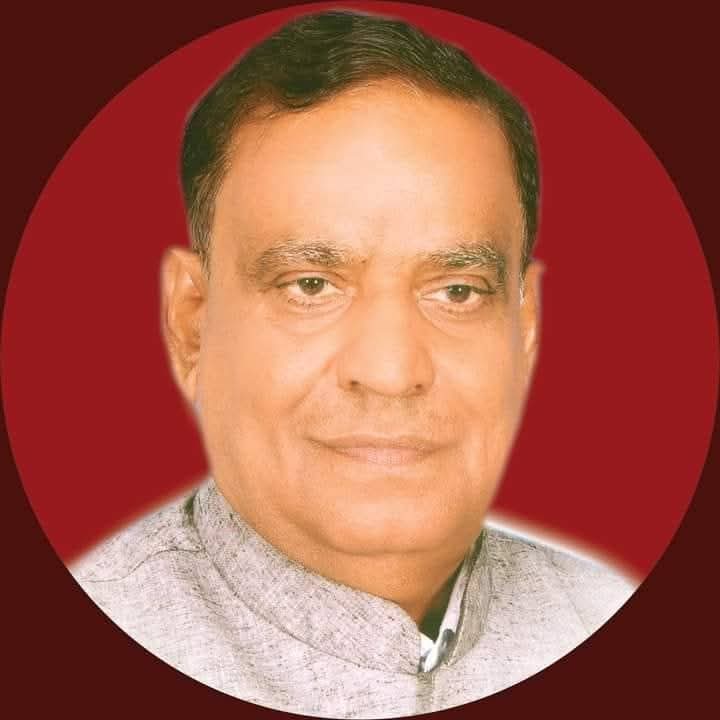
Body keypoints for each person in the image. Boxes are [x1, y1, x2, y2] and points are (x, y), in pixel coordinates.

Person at [72, 9, 635, 717]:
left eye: (457, 291)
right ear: (191, 324)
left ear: (524, 331)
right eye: (310, 285)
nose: (391, 372)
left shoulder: (611, 619)